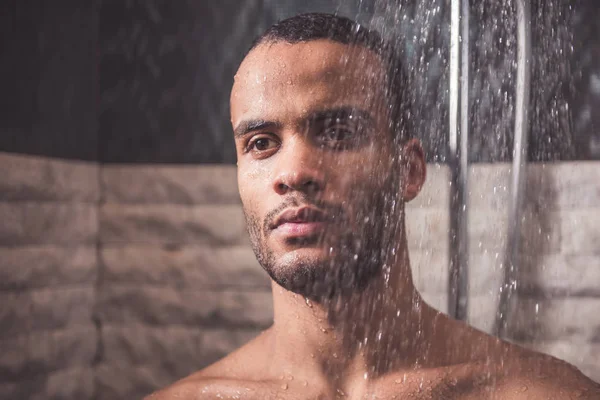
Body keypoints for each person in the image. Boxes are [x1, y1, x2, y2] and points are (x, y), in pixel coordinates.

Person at [147, 13, 599, 399]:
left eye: (339, 133)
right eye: (261, 143)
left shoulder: (535, 392)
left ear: (409, 170)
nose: (294, 172)